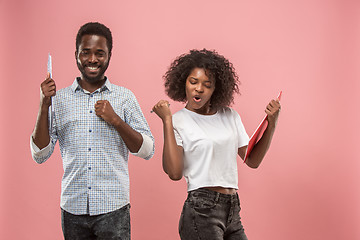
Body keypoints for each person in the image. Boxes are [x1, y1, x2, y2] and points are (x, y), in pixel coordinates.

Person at [30, 22, 154, 239]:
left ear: (109, 55)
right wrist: (44, 104)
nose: (93, 59)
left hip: (114, 209)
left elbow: (147, 150)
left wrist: (116, 120)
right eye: (86, 52)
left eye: (100, 53)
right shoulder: (58, 100)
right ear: (76, 54)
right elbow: (40, 154)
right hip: (72, 210)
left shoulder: (124, 98)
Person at [152, 49, 281, 240]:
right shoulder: (178, 121)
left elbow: (252, 160)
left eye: (207, 84)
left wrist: (272, 124)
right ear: (183, 83)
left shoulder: (230, 116)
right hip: (201, 210)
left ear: (216, 89)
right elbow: (174, 173)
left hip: (233, 209)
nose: (199, 89)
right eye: (193, 82)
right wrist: (167, 121)